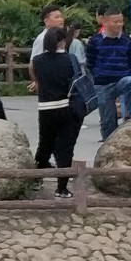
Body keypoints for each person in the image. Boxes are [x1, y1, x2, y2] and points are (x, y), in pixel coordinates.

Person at [30, 26, 81, 197]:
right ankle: (62, 187)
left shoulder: (37, 61)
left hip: (45, 108)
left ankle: (36, 179)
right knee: (65, 148)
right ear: (62, 41)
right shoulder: (70, 59)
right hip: (66, 107)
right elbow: (78, 81)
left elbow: (37, 78)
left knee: (45, 144)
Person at [84, 7, 131, 138]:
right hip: (102, 84)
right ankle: (108, 146)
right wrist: (98, 76)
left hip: (122, 79)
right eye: (115, 22)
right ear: (105, 22)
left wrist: (125, 72)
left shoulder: (127, 40)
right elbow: (90, 62)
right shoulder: (95, 41)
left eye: (120, 21)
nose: (118, 25)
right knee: (107, 121)